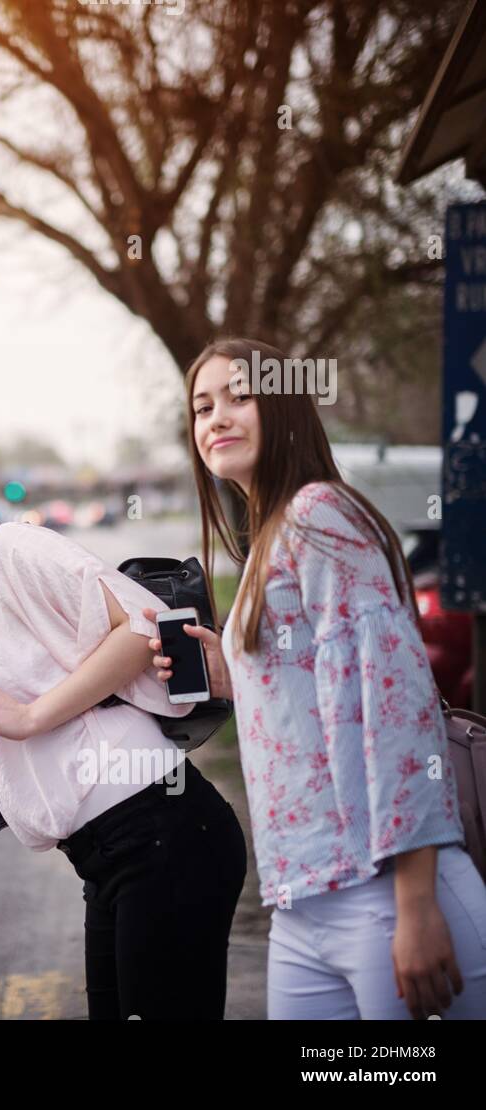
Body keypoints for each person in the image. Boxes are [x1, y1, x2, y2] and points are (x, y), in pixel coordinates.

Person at [149, 336, 486, 1019]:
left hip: (381, 890)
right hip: (300, 902)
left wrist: (416, 907)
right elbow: (310, 695)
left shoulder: (319, 516)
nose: (217, 417)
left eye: (240, 397)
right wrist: (232, 674)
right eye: (202, 406)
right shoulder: (273, 532)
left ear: (285, 405)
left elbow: (398, 711)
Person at [0, 435, 247, 1020]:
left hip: (161, 837)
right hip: (109, 858)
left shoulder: (7, 549)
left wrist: (28, 718)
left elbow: (143, 626)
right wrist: (3, 776)